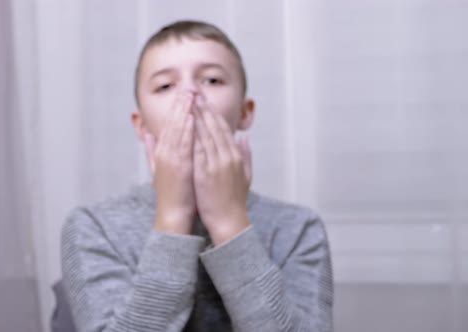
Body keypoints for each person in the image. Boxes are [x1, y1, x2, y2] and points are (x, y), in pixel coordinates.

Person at [61, 20, 333, 332]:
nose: (190, 93)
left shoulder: (297, 228)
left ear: (245, 112)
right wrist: (173, 217)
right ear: (140, 124)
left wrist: (229, 222)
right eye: (165, 85)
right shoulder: (93, 227)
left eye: (213, 80)